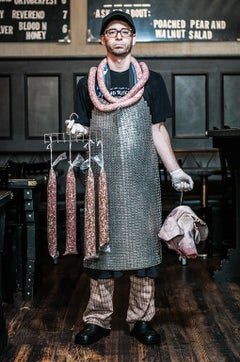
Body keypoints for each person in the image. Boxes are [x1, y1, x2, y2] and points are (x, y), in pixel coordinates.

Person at [66, 11, 194, 346]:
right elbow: (82, 129)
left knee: (144, 255)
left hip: (141, 181)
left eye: (125, 32)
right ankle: (98, 320)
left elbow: (158, 130)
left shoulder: (152, 81)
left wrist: (175, 170)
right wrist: (78, 130)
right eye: (112, 32)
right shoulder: (88, 83)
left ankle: (141, 320)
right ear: (103, 40)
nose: (119, 36)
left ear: (133, 39)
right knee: (100, 252)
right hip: (102, 179)